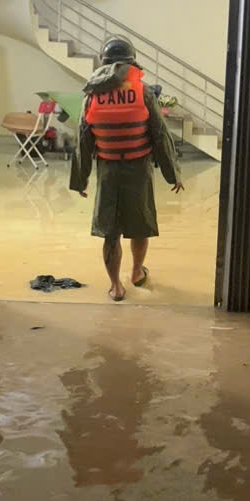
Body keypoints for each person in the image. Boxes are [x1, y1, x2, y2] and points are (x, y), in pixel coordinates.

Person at [70, 36, 184, 302]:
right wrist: (173, 174)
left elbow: (83, 140)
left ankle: (115, 287)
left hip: (108, 171)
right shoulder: (142, 91)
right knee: (140, 225)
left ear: (103, 63)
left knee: (110, 231)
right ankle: (135, 273)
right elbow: (160, 135)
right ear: (132, 62)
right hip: (138, 169)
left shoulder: (91, 94)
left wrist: (80, 180)